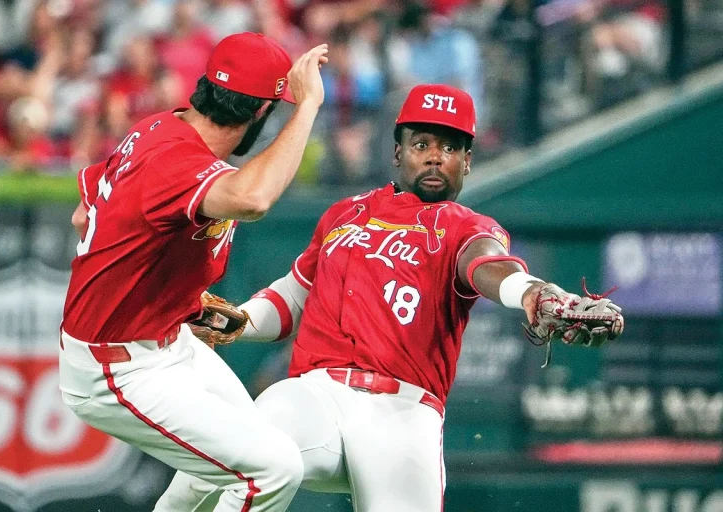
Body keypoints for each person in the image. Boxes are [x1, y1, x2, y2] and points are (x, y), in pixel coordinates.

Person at [156, 83, 623, 511]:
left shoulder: (466, 227)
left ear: (467, 161)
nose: (435, 157)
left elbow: (489, 266)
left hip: (401, 413)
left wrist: (532, 293)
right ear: (398, 152)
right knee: (220, 457)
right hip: (314, 395)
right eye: (422, 144)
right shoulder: (345, 213)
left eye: (450, 147)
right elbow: (294, 298)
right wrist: (240, 319)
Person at [59, 32, 329, 512]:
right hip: (119, 366)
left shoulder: (162, 126)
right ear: (262, 113)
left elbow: (85, 215)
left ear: (204, 86)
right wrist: (306, 108)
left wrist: (166, 295)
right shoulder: (175, 160)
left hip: (161, 338)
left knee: (229, 461)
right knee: (272, 470)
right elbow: (253, 198)